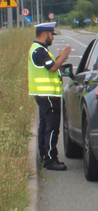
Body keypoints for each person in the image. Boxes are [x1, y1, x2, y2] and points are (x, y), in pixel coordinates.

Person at [28, 22, 71, 171]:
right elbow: (52, 67)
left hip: (45, 94)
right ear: (45, 34)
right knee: (52, 127)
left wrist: (60, 58)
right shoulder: (39, 51)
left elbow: (51, 66)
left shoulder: (41, 50)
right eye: (52, 34)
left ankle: (44, 155)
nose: (52, 37)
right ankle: (51, 159)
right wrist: (63, 57)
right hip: (48, 95)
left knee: (45, 126)